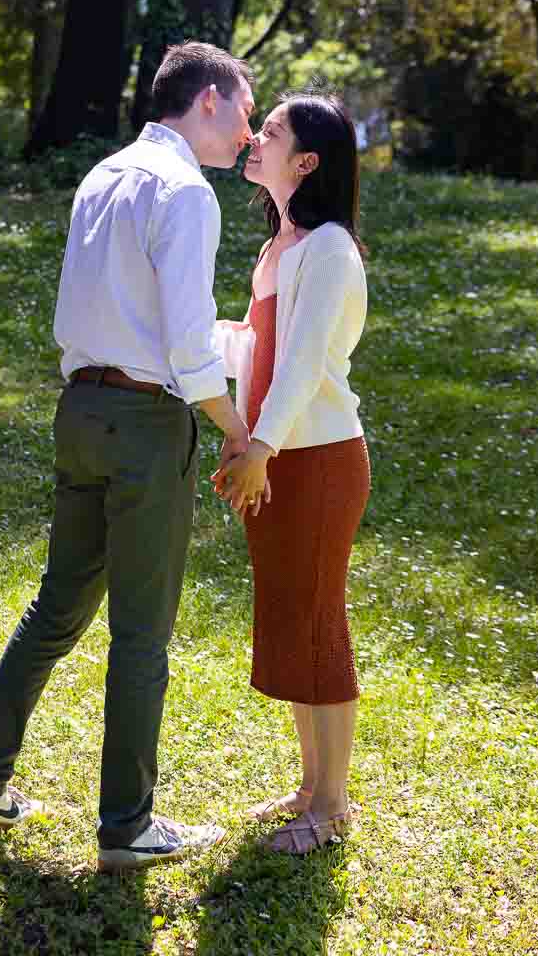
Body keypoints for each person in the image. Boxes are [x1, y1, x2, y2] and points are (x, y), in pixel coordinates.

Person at [0, 42, 260, 872]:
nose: (249, 130)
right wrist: (236, 428)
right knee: (141, 634)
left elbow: (111, 307)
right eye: (244, 110)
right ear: (209, 99)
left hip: (78, 408)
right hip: (146, 424)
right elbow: (190, 348)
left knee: (56, 607)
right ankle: (127, 825)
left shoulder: (103, 174)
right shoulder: (187, 191)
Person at [212, 89, 370, 855]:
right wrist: (236, 430)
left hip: (316, 459)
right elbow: (257, 346)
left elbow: (305, 363)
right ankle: (310, 786)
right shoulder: (281, 245)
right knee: (289, 621)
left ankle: (333, 808)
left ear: (305, 161)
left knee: (316, 626)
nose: (254, 137)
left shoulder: (330, 248)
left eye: (269, 131)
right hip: (277, 455)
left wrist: (262, 450)